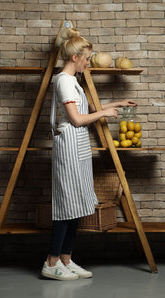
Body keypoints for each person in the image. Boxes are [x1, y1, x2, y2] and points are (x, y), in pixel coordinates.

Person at [41, 28, 136, 281]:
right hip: (69, 147)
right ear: (74, 57)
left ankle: (65, 259)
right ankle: (51, 263)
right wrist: (103, 115)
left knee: (76, 206)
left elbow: (87, 108)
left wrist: (114, 105)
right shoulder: (62, 80)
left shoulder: (74, 81)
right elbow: (76, 118)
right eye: (86, 58)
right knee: (65, 206)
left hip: (78, 147)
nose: (88, 62)